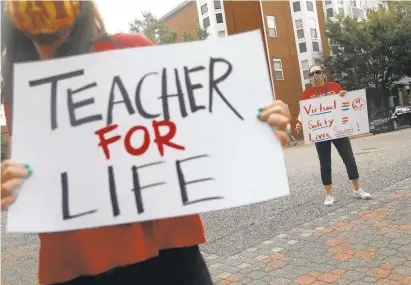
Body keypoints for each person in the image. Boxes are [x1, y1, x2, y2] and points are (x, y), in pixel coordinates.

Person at [0, 1, 292, 285]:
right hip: (75, 266)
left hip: (164, 258)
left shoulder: (128, 50)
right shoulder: (19, 88)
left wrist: (256, 126)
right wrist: (12, 184)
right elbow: (35, 170)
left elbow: (193, 129)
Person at [296, 64, 371, 206]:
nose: (315, 76)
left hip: (338, 130)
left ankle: (356, 189)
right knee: (325, 164)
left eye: (318, 72)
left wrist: (344, 95)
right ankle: (329, 195)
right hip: (320, 133)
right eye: (312, 74)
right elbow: (304, 113)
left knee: (349, 159)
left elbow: (344, 102)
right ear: (309, 78)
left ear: (324, 74)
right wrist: (299, 123)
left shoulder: (334, 87)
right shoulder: (306, 94)